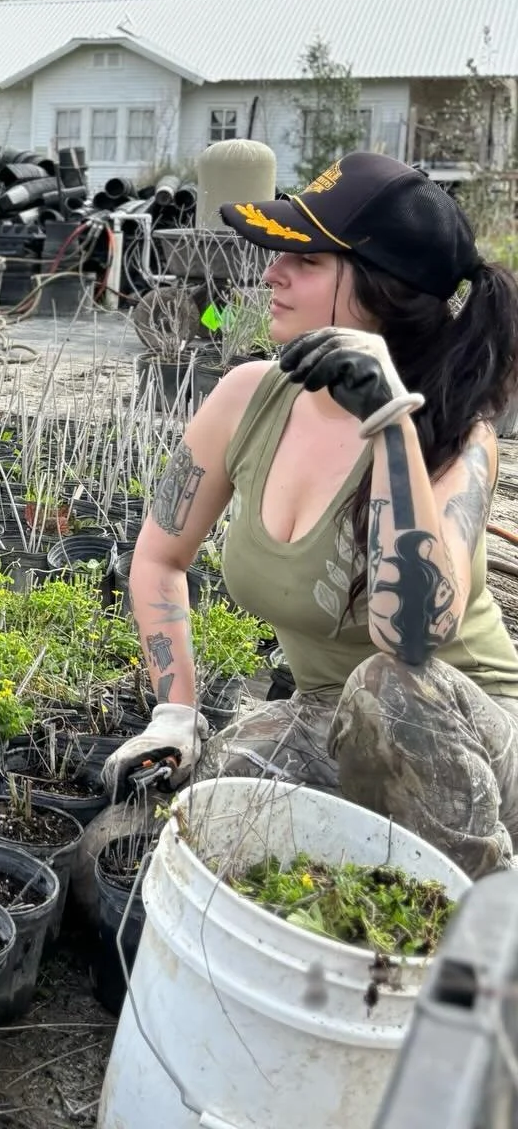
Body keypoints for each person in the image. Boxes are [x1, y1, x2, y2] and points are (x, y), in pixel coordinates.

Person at [102, 151, 518, 877]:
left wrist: (389, 424)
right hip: (331, 719)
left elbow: (410, 640)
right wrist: (176, 712)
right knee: (181, 820)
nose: (272, 273)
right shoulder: (248, 396)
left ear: (383, 290)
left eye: (308, 259)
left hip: (467, 740)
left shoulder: (457, 436)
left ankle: (482, 918)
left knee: (389, 688)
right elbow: (160, 558)